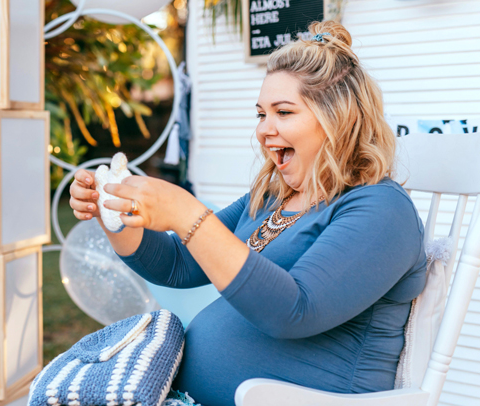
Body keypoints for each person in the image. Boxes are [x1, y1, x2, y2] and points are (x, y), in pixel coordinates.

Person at [68, 20, 427, 406]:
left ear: (339, 118)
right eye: (261, 114)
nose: (264, 130)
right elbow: (177, 264)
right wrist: (116, 215)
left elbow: (294, 311)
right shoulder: (272, 196)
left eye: (283, 112)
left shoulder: (380, 208)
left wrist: (188, 214)